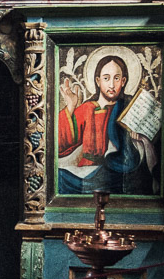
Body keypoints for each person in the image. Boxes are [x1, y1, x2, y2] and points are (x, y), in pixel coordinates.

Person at [58, 55, 156, 194]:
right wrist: (71, 106)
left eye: (116, 78)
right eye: (106, 78)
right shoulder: (87, 108)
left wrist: (139, 141)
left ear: (123, 81)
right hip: (87, 173)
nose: (111, 85)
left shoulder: (130, 108)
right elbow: (61, 144)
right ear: (98, 81)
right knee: (60, 178)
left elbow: (147, 144)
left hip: (120, 172)